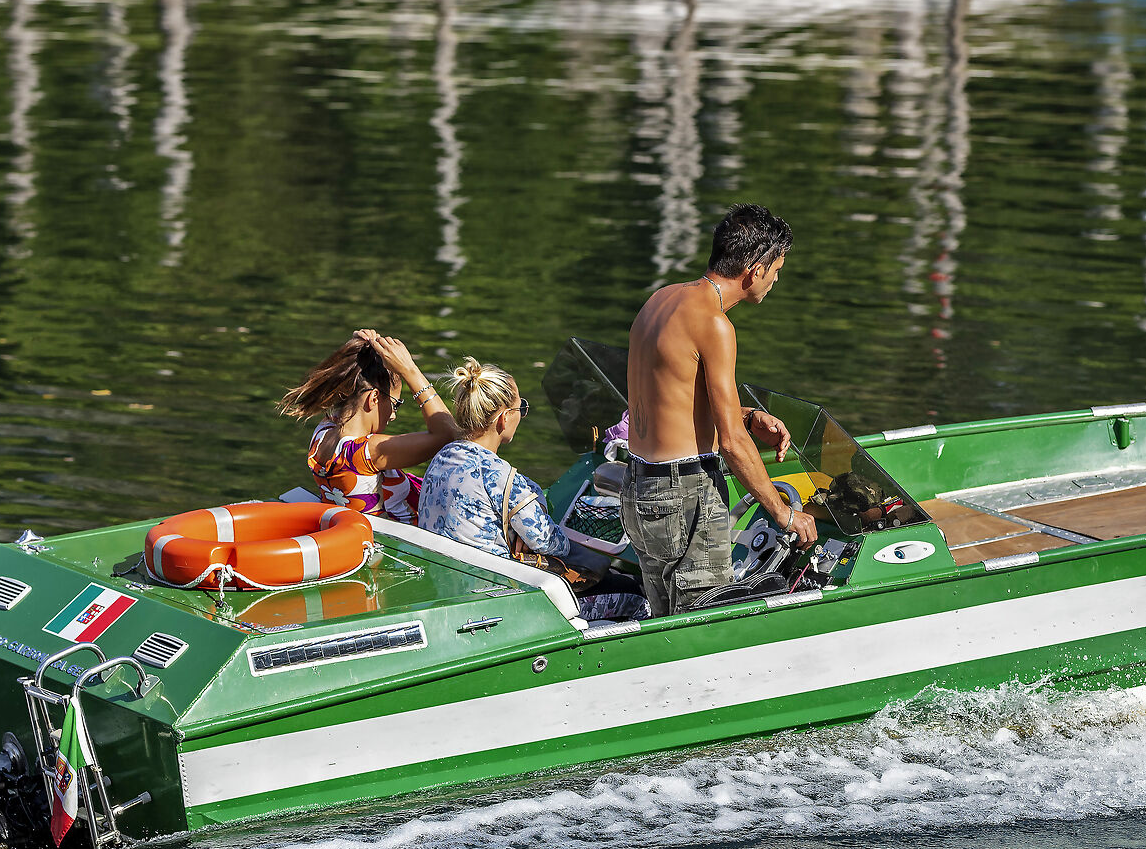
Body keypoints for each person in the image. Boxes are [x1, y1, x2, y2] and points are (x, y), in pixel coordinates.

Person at [621, 204, 818, 616]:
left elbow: (671, 396)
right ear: (755, 268)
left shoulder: (661, 299)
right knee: (705, 628)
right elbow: (731, 444)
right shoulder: (715, 325)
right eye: (777, 269)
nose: (776, 278)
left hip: (639, 489)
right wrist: (784, 516)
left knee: (664, 623)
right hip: (682, 494)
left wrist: (747, 415)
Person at [416, 358, 646, 620]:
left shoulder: (442, 458)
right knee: (635, 594)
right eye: (520, 408)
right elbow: (547, 541)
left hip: (449, 584)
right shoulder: (499, 476)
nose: (522, 415)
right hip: (496, 598)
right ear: (503, 419)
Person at [277, 330, 456, 524]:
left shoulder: (323, 432)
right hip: (400, 544)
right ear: (374, 398)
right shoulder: (366, 452)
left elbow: (353, 382)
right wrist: (410, 371)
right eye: (395, 404)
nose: (394, 415)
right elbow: (448, 435)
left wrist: (359, 349)